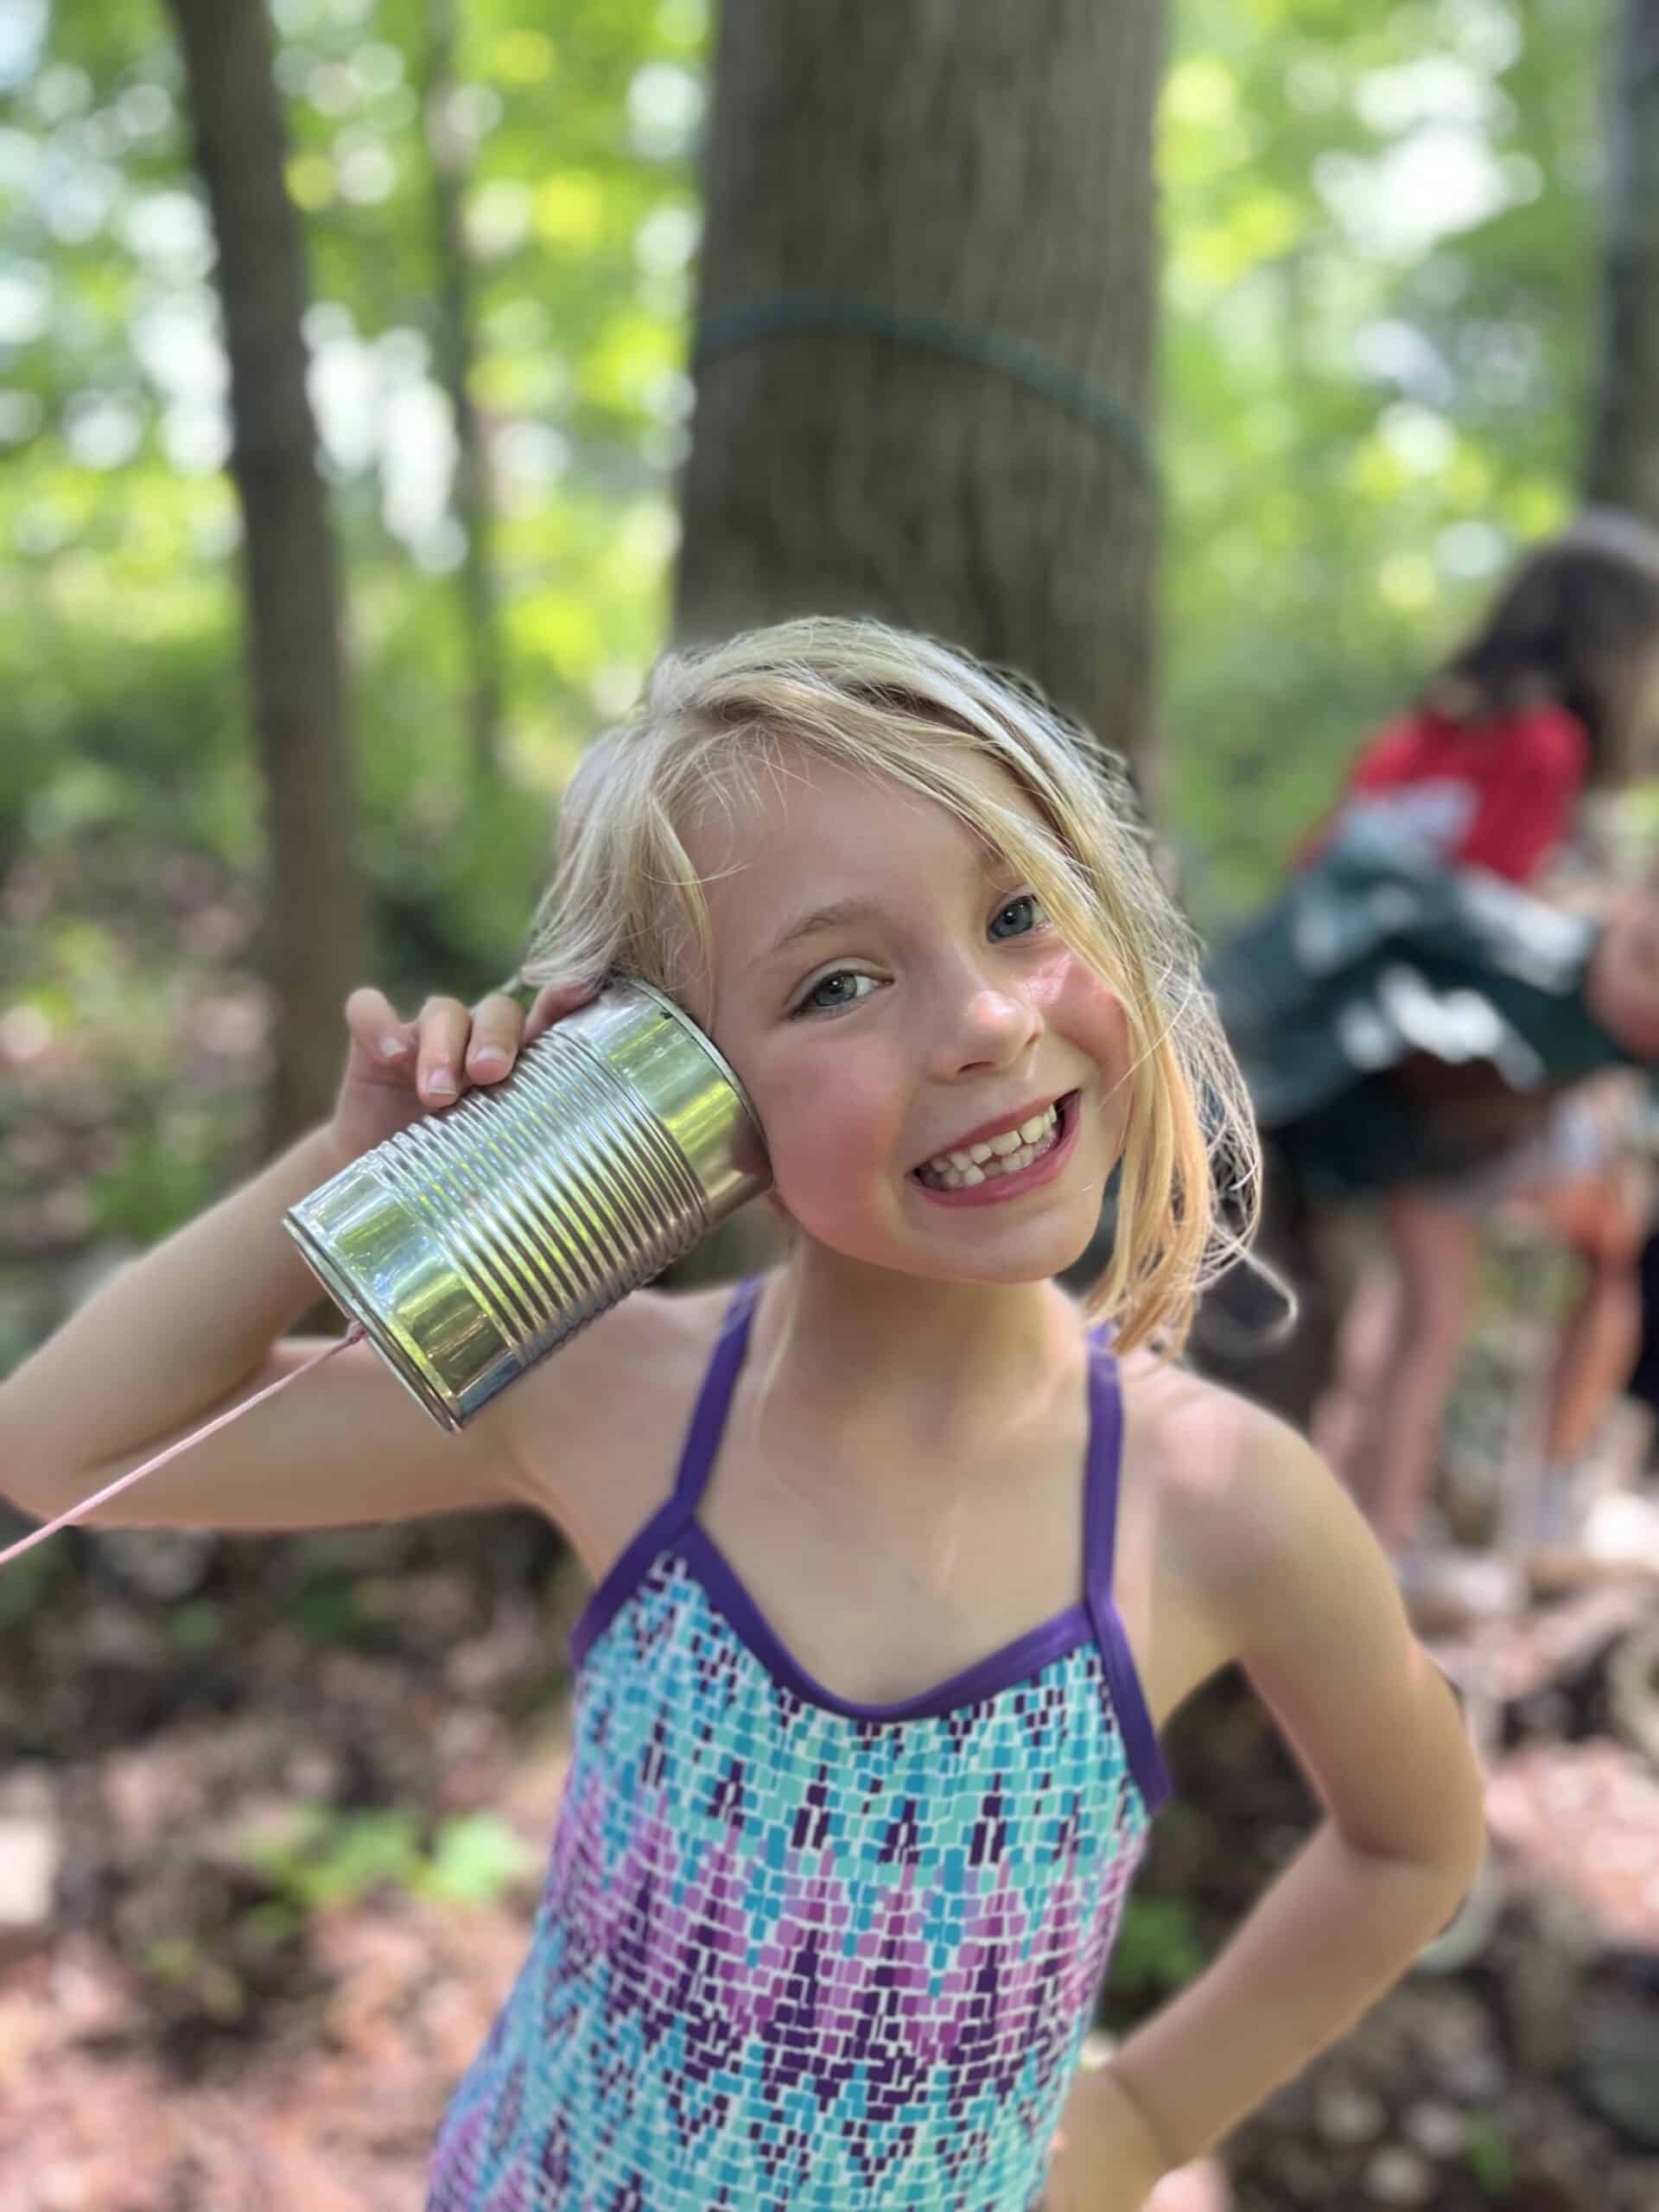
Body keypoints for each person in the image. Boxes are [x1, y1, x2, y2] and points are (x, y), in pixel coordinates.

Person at [0, 620, 1485, 2212]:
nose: (984, 1018)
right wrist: (357, 1167)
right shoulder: (613, 1398)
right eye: (838, 982)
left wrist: (1134, 2122)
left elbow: (1415, 1843)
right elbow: (66, 1452)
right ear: (673, 1090)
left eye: (1017, 913)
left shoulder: (1215, 1501)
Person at [1212, 512, 1659, 1566]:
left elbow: (1321, 860)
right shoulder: (1547, 745)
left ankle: (1370, 1532)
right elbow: (1487, 919)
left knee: (1390, 1314)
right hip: (1433, 1078)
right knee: (1443, 1315)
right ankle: (1411, 1542)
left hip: (1329, 1059)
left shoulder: (1422, 729)